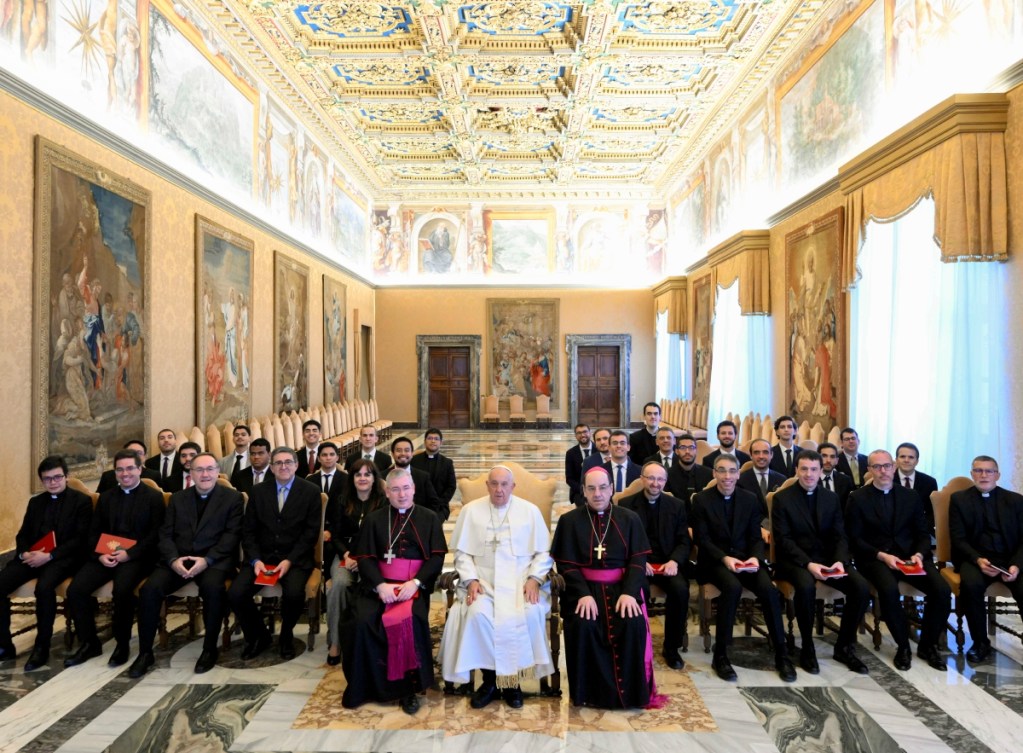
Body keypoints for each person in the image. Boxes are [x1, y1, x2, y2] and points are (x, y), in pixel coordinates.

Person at [439, 466, 554, 709]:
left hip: (520, 584)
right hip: (484, 584)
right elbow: (461, 553)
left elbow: (544, 552)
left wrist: (534, 578)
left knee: (529, 613)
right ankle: (490, 681)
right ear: (487, 485)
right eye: (494, 484)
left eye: (504, 484)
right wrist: (470, 580)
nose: (499, 489)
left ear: (513, 487)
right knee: (477, 614)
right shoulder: (471, 511)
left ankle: (512, 684)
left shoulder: (530, 511)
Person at [551, 466, 660, 709]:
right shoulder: (569, 521)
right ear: (583, 491)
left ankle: (632, 695)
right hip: (584, 591)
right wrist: (582, 595)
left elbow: (637, 560)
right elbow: (565, 563)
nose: (597, 493)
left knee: (631, 623)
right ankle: (589, 694)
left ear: (611, 489)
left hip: (622, 589)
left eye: (602, 487)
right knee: (583, 624)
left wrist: (631, 593)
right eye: (591, 488)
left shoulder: (629, 518)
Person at [341, 468, 446, 715]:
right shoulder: (374, 519)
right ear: (387, 492)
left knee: (409, 621)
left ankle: (407, 691)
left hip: (412, 587)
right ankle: (363, 687)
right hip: (379, 585)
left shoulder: (429, 518)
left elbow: (437, 558)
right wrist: (380, 585)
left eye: (406, 488)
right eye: (396, 489)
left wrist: (416, 583)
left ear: (414, 489)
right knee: (361, 621)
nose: (402, 494)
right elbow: (365, 557)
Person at [129, 452, 244, 678]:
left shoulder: (233, 498)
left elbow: (231, 536)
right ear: (190, 474)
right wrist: (173, 560)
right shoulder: (178, 498)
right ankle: (145, 652)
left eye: (210, 469)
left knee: (213, 589)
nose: (205, 474)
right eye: (199, 470)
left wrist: (207, 560)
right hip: (178, 560)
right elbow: (165, 533)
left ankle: (209, 649)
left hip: (214, 561)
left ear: (217, 472)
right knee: (149, 590)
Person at [692, 453, 795, 682]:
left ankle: (782, 653)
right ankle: (721, 655)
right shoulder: (701, 500)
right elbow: (702, 540)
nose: (726, 476)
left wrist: (756, 559)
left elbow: (755, 536)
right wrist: (725, 559)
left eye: (731, 471)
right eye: (721, 470)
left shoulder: (749, 499)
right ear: (714, 473)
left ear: (738, 474)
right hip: (715, 562)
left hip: (746, 561)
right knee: (732, 587)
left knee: (769, 590)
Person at [845, 450, 951, 671]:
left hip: (910, 558)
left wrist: (919, 555)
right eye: (877, 467)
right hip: (876, 559)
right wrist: (883, 556)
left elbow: (923, 533)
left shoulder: (910, 497)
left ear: (894, 468)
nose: (883, 471)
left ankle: (927, 645)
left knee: (941, 590)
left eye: (886, 466)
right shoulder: (857, 498)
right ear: (870, 470)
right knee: (889, 590)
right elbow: (854, 538)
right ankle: (903, 646)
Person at [771, 450, 870, 675]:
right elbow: (783, 540)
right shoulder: (782, 498)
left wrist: (839, 562)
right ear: (796, 470)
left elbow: (839, 535)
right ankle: (807, 647)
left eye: (814, 469)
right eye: (804, 469)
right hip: (794, 562)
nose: (809, 474)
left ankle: (844, 646)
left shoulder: (831, 498)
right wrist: (808, 564)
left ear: (821, 471)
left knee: (861, 588)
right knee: (805, 586)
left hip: (828, 560)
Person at [65, 449, 165, 668]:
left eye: (130, 468)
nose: (125, 473)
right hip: (106, 555)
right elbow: (94, 531)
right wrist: (100, 555)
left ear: (140, 469)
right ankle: (90, 642)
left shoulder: (154, 497)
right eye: (120, 469)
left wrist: (129, 554)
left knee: (122, 590)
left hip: (137, 557)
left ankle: (122, 643)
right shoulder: (107, 497)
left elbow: (155, 534)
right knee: (76, 590)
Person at [229, 447, 322, 661]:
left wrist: (290, 560)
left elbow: (310, 534)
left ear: (296, 465)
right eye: (278, 463)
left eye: (288, 462)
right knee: (236, 593)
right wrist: (255, 560)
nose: (283, 466)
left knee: (294, 594)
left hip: (295, 559)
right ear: (271, 467)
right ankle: (258, 636)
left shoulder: (310, 491)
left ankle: (286, 636)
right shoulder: (259, 491)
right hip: (262, 559)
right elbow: (249, 531)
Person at [0, 456, 92, 671]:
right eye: (47, 479)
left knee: (44, 587)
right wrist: (24, 554)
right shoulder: (36, 502)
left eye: (57, 477)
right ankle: (4, 645)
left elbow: (80, 539)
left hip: (64, 558)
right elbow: (23, 534)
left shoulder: (81, 501)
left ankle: (41, 647)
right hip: (34, 556)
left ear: (66, 477)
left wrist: (49, 556)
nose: (53, 482)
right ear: (42, 481)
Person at [948, 456, 1023, 663]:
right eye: (978, 471)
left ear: (997, 475)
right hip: (975, 559)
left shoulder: (1016, 500)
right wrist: (978, 560)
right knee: (971, 587)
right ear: (972, 474)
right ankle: (981, 643)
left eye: (989, 471)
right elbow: (958, 539)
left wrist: (1016, 565)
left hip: (1009, 559)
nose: (983, 475)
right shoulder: (959, 499)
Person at [618, 462, 691, 670]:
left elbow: (684, 540)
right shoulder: (625, 504)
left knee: (680, 590)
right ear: (642, 479)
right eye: (650, 478)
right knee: (636, 590)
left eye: (660, 479)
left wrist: (675, 561)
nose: (655, 483)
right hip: (639, 565)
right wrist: (640, 562)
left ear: (665, 482)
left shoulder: (676, 505)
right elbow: (622, 542)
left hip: (668, 564)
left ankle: (671, 648)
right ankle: (637, 645)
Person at [323, 458, 386, 666]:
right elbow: (336, 535)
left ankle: (373, 639)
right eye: (358, 474)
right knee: (339, 584)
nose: (362, 478)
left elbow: (384, 536)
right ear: (352, 478)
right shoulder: (342, 500)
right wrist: (347, 554)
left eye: (367, 474)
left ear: (374, 478)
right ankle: (336, 642)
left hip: (374, 556)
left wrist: (365, 558)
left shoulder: (383, 501)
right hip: (346, 555)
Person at [390, 436, 445, 520]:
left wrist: (425, 521)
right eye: (399, 450)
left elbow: (434, 503)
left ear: (412, 454)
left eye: (407, 450)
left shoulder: (423, 477)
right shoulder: (382, 477)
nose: (403, 453)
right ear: (392, 454)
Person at [737, 438, 785, 533]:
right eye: (756, 452)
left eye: (765, 452)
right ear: (751, 456)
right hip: (750, 532)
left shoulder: (782, 479)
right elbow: (742, 512)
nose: (761, 456)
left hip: (778, 531)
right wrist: (765, 526)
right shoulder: (740, 480)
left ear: (771, 455)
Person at [895, 442, 939, 535]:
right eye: (902, 456)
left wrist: (920, 529)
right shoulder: (888, 480)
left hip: (921, 532)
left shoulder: (929, 482)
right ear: (896, 460)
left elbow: (932, 512)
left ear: (917, 461)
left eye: (911, 457)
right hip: (893, 533)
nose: (906, 460)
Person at [409, 427, 457, 512]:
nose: (433, 441)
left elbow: (451, 486)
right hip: (417, 506)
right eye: (430, 438)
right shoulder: (414, 461)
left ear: (441, 442)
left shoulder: (447, 463)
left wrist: (440, 503)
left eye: (436, 439)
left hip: (440, 507)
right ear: (424, 442)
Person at [96, 439, 161, 493]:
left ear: (145, 457)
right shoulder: (107, 476)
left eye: (139, 453)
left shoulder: (154, 475)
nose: (135, 456)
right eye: (131, 452)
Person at [665, 433, 713, 503]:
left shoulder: (708, 474)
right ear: (677, 451)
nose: (687, 451)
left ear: (696, 451)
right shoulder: (667, 475)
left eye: (691, 447)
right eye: (683, 448)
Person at [564, 423, 595, 506]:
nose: (582, 435)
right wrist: (583, 490)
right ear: (575, 436)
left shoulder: (598, 450)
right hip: (579, 490)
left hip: (599, 488)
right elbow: (569, 478)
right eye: (579, 433)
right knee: (583, 508)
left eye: (585, 432)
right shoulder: (571, 453)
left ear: (590, 433)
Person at [818, 442, 854, 510]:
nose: (828, 460)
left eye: (832, 457)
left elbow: (848, 508)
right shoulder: (811, 479)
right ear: (817, 458)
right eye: (824, 456)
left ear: (837, 461)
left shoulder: (845, 481)